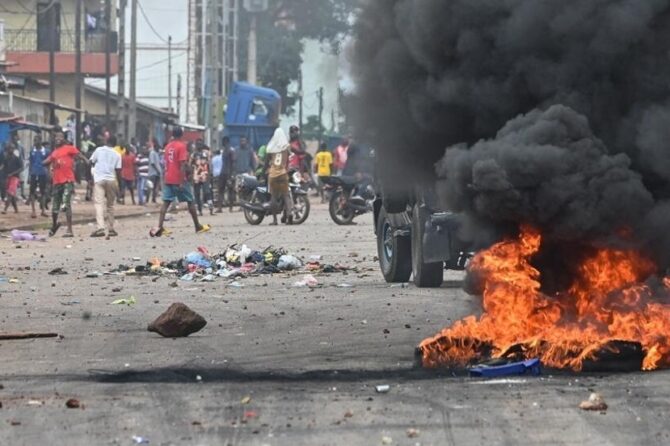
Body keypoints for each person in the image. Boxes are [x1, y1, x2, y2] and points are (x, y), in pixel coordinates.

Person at [151, 127, 210, 237]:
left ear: (172, 134)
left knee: (165, 202)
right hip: (178, 178)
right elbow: (182, 164)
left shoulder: (168, 146)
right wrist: (182, 180)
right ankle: (197, 226)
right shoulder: (181, 146)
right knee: (190, 201)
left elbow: (167, 162)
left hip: (168, 177)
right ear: (182, 134)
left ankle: (160, 227)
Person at [43, 130, 89, 237]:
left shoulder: (69, 148)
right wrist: (44, 164)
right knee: (55, 207)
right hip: (56, 182)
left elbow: (79, 155)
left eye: (60, 137)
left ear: (64, 139)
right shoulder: (54, 152)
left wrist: (86, 161)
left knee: (66, 205)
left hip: (67, 181)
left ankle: (69, 230)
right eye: (56, 137)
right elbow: (47, 161)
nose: (58, 139)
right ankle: (54, 225)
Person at [89, 135, 122, 237]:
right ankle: (111, 228)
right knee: (110, 205)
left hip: (99, 179)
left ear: (106, 141)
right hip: (111, 179)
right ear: (115, 144)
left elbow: (91, 161)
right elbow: (118, 171)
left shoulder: (99, 150)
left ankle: (100, 228)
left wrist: (92, 175)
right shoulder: (117, 154)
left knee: (99, 204)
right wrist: (119, 186)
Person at [265, 128, 293, 225]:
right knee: (286, 195)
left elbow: (266, 162)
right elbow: (290, 157)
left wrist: (265, 170)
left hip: (273, 175)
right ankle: (289, 214)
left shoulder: (271, 147)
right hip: (283, 173)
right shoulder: (286, 147)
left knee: (273, 196)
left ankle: (275, 220)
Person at [28, 134, 50, 218]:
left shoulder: (46, 151)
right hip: (34, 173)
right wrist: (29, 175)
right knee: (32, 192)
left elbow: (48, 163)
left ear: (40, 141)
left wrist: (48, 173)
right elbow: (30, 163)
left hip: (42, 173)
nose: (35, 142)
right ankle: (33, 211)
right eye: (34, 140)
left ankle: (43, 210)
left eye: (36, 140)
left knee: (43, 192)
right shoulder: (32, 151)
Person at [1, 143, 23, 214]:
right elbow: (3, 166)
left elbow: (21, 168)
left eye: (12, 148)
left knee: (10, 193)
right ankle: (16, 209)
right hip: (7, 177)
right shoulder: (6, 158)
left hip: (15, 177)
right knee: (12, 194)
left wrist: (13, 173)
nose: (10, 150)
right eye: (9, 148)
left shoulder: (16, 158)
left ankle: (5, 209)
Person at [191, 144, 213, 216]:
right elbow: (190, 164)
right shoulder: (194, 154)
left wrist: (210, 174)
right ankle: (201, 210)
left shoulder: (205, 153)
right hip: (198, 174)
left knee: (205, 192)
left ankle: (208, 208)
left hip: (203, 174)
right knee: (199, 193)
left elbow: (209, 163)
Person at [148, 139, 162, 203]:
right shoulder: (152, 153)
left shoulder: (156, 153)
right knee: (150, 186)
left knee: (155, 187)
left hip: (157, 173)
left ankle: (153, 198)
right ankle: (147, 199)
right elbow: (152, 163)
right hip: (153, 172)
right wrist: (157, 170)